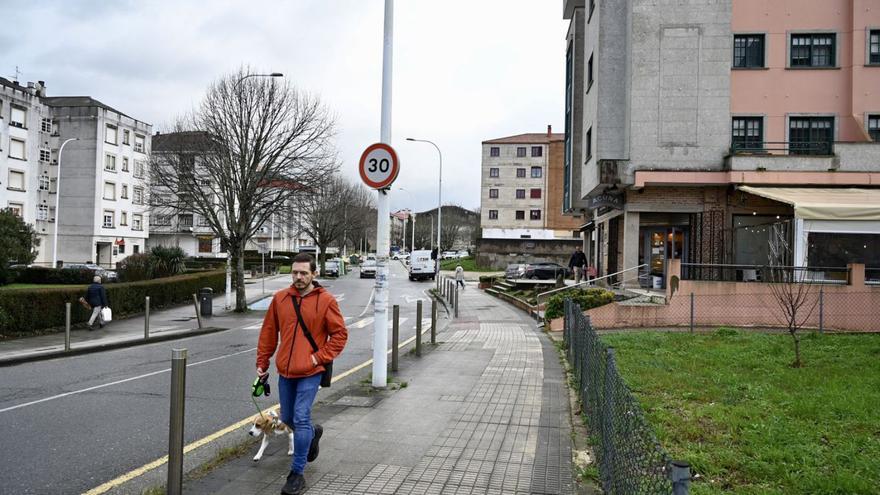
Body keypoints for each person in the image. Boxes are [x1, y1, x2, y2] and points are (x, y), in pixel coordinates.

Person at [256, 253, 348, 495]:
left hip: (311, 370)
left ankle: (297, 474)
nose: (298, 277)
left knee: (301, 417)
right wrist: (262, 363)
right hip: (285, 370)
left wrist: (318, 358)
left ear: (314, 274)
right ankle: (313, 434)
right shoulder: (280, 299)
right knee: (288, 419)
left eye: (304, 273)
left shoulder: (326, 300)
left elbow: (340, 335)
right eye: (295, 272)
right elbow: (268, 332)